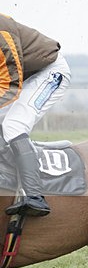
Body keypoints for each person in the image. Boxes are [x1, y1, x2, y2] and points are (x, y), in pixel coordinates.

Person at [0, 14, 71, 216]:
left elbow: (9, 86)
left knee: (14, 125)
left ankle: (34, 196)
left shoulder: (2, 33)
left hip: (49, 73)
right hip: (25, 76)